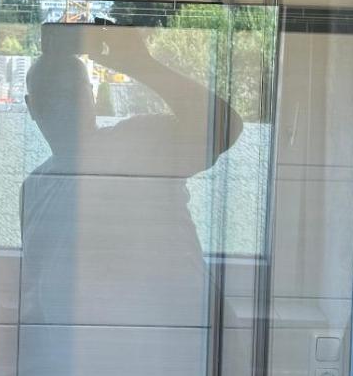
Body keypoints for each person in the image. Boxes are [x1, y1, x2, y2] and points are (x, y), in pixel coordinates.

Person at [18, 22, 243, 323]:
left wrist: (141, 65)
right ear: (31, 106)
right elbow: (39, 289)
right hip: (105, 350)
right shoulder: (34, 188)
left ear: (92, 95)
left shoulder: (138, 144)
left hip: (184, 343)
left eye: (73, 90)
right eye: (52, 92)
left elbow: (225, 128)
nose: (63, 102)